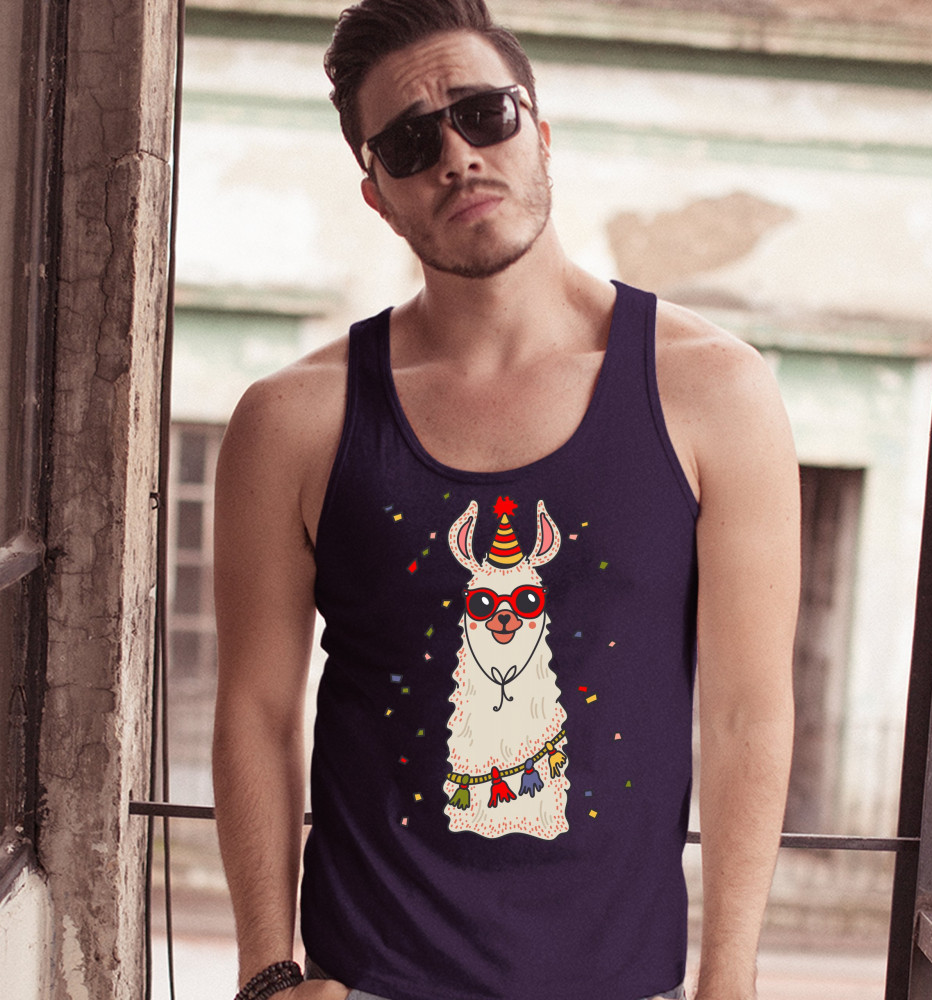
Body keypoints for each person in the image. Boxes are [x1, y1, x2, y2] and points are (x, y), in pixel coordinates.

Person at [211, 1, 800, 998]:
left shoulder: (713, 391)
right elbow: (256, 710)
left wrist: (729, 978)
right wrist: (268, 975)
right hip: (369, 978)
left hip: (625, 983)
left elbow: (749, 712)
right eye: (410, 142)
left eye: (483, 113)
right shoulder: (292, 421)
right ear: (377, 196)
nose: (457, 156)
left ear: (540, 130)